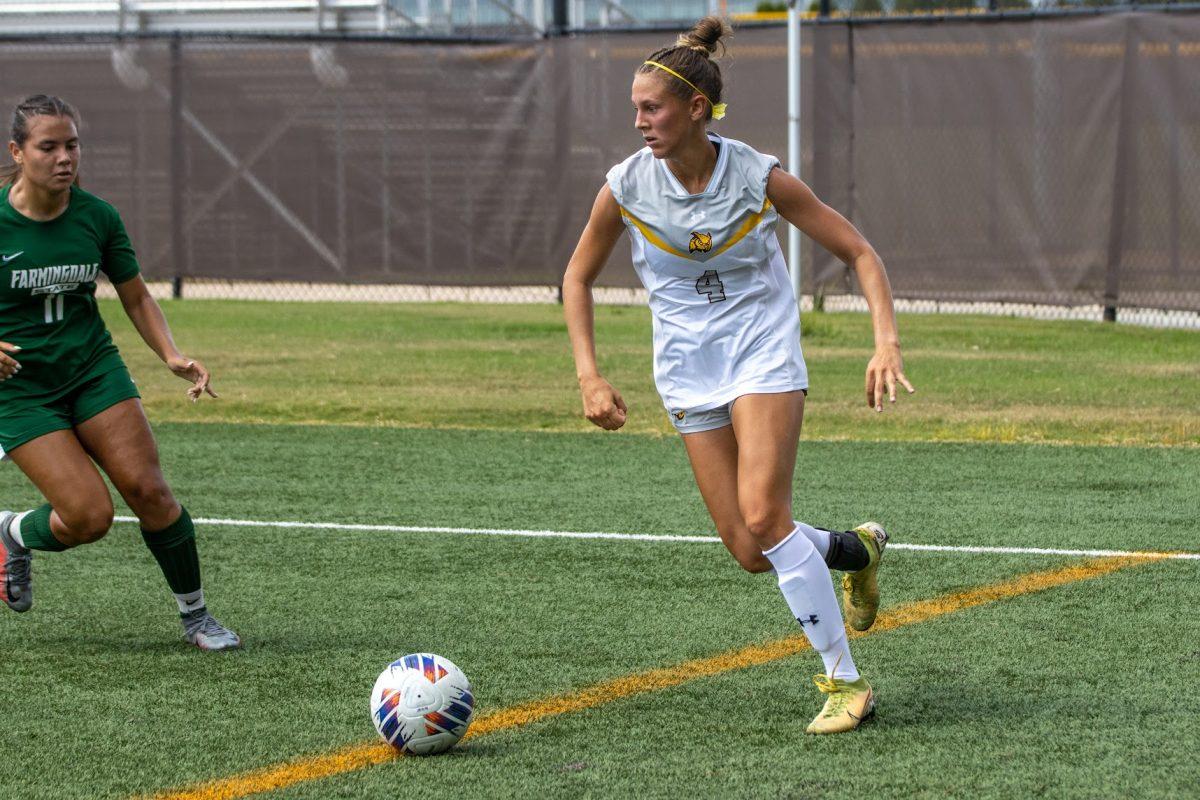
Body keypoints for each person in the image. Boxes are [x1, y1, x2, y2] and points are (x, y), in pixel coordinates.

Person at [563, 19, 914, 733]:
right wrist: (589, 376)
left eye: (652, 108)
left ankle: (845, 683)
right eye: (634, 108)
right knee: (751, 550)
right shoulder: (625, 187)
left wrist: (885, 342)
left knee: (764, 514)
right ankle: (856, 551)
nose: (639, 121)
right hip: (688, 374)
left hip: (763, 356)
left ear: (697, 109)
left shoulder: (758, 176)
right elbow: (577, 277)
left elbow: (859, 251)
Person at [0, 95, 240, 651]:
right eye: (49, 146)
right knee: (88, 517)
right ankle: (13, 531)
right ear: (18, 151)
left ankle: (197, 618)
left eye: (73, 145)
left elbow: (135, 297)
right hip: (20, 390)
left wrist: (172, 356)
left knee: (149, 490)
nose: (65, 157)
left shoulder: (97, 217)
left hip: (92, 371)